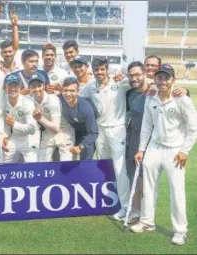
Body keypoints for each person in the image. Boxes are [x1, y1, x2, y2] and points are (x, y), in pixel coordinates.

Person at [132, 64, 197, 246]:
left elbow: (193, 127)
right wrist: (141, 149)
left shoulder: (182, 99)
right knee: (149, 187)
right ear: (155, 79)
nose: (162, 81)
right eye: (159, 77)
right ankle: (147, 222)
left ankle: (180, 231)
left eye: (166, 78)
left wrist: (184, 150)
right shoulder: (151, 97)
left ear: (173, 80)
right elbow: (146, 126)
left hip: (174, 150)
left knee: (177, 191)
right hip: (154, 147)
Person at [80, 58, 131, 221]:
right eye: (96, 70)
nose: (99, 72)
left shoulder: (120, 83)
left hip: (117, 130)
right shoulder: (90, 87)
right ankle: (110, 201)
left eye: (102, 69)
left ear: (107, 69)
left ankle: (125, 207)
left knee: (119, 169)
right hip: (100, 131)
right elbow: (77, 98)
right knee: (105, 168)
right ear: (93, 70)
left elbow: (142, 82)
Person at [28, 72, 74, 162]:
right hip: (48, 133)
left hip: (64, 132)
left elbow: (56, 128)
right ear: (29, 88)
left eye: (39, 85)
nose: (36, 89)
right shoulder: (30, 101)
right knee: (42, 164)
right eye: (33, 86)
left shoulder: (52, 99)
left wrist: (39, 118)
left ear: (44, 86)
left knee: (66, 166)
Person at [2, 73, 40, 163]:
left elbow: (32, 129)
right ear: (5, 88)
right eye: (9, 86)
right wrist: (5, 136)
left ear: (20, 87)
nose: (12, 89)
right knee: (5, 164)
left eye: (15, 85)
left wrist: (14, 124)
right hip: (15, 136)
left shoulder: (27, 103)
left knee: (31, 167)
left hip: (30, 138)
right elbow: (6, 124)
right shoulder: (3, 102)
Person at [60, 77, 98, 160]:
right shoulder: (59, 100)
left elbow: (93, 133)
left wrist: (81, 147)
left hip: (86, 134)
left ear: (77, 91)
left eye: (72, 91)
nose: (68, 94)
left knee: (85, 163)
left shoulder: (86, 108)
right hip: (71, 132)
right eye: (65, 90)